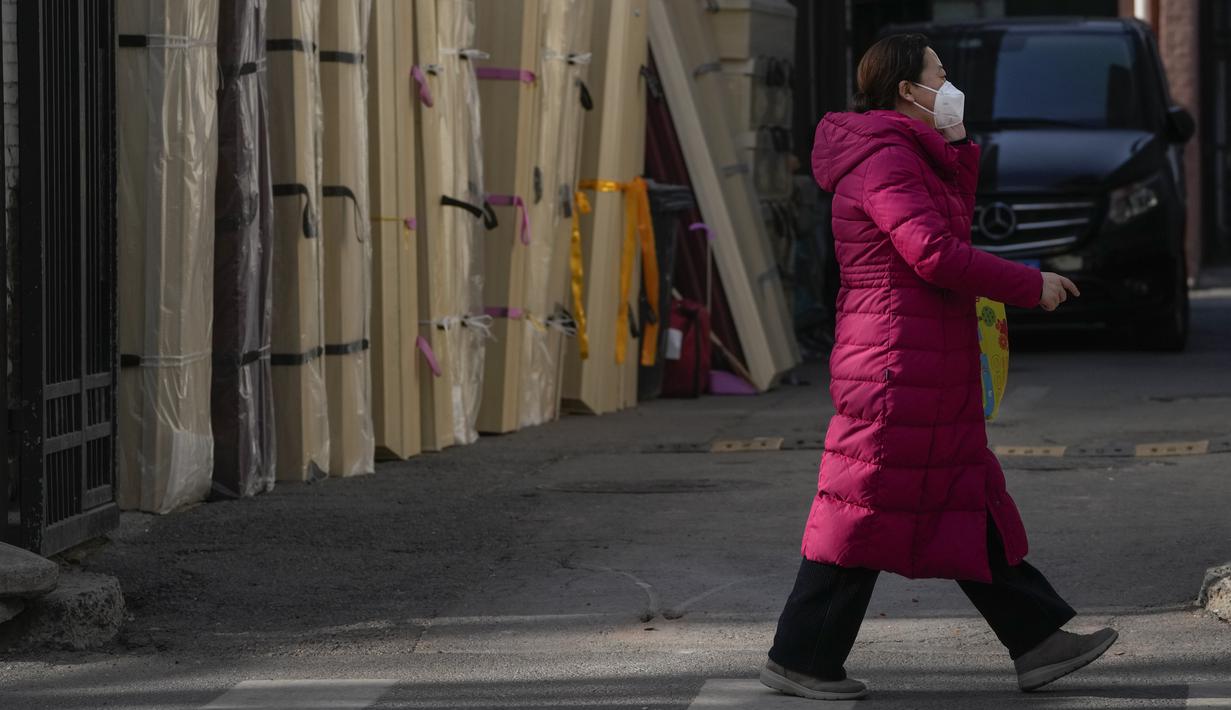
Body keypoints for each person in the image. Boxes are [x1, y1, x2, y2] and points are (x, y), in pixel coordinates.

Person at [760, 34, 1114, 702]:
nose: (950, 87)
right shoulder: (883, 156)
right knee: (863, 505)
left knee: (958, 492)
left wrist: (954, 144)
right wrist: (1025, 284)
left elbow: (942, 225)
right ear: (906, 90)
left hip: (919, 353)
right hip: (895, 360)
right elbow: (931, 252)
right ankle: (799, 656)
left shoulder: (906, 151)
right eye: (940, 76)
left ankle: (1037, 640)